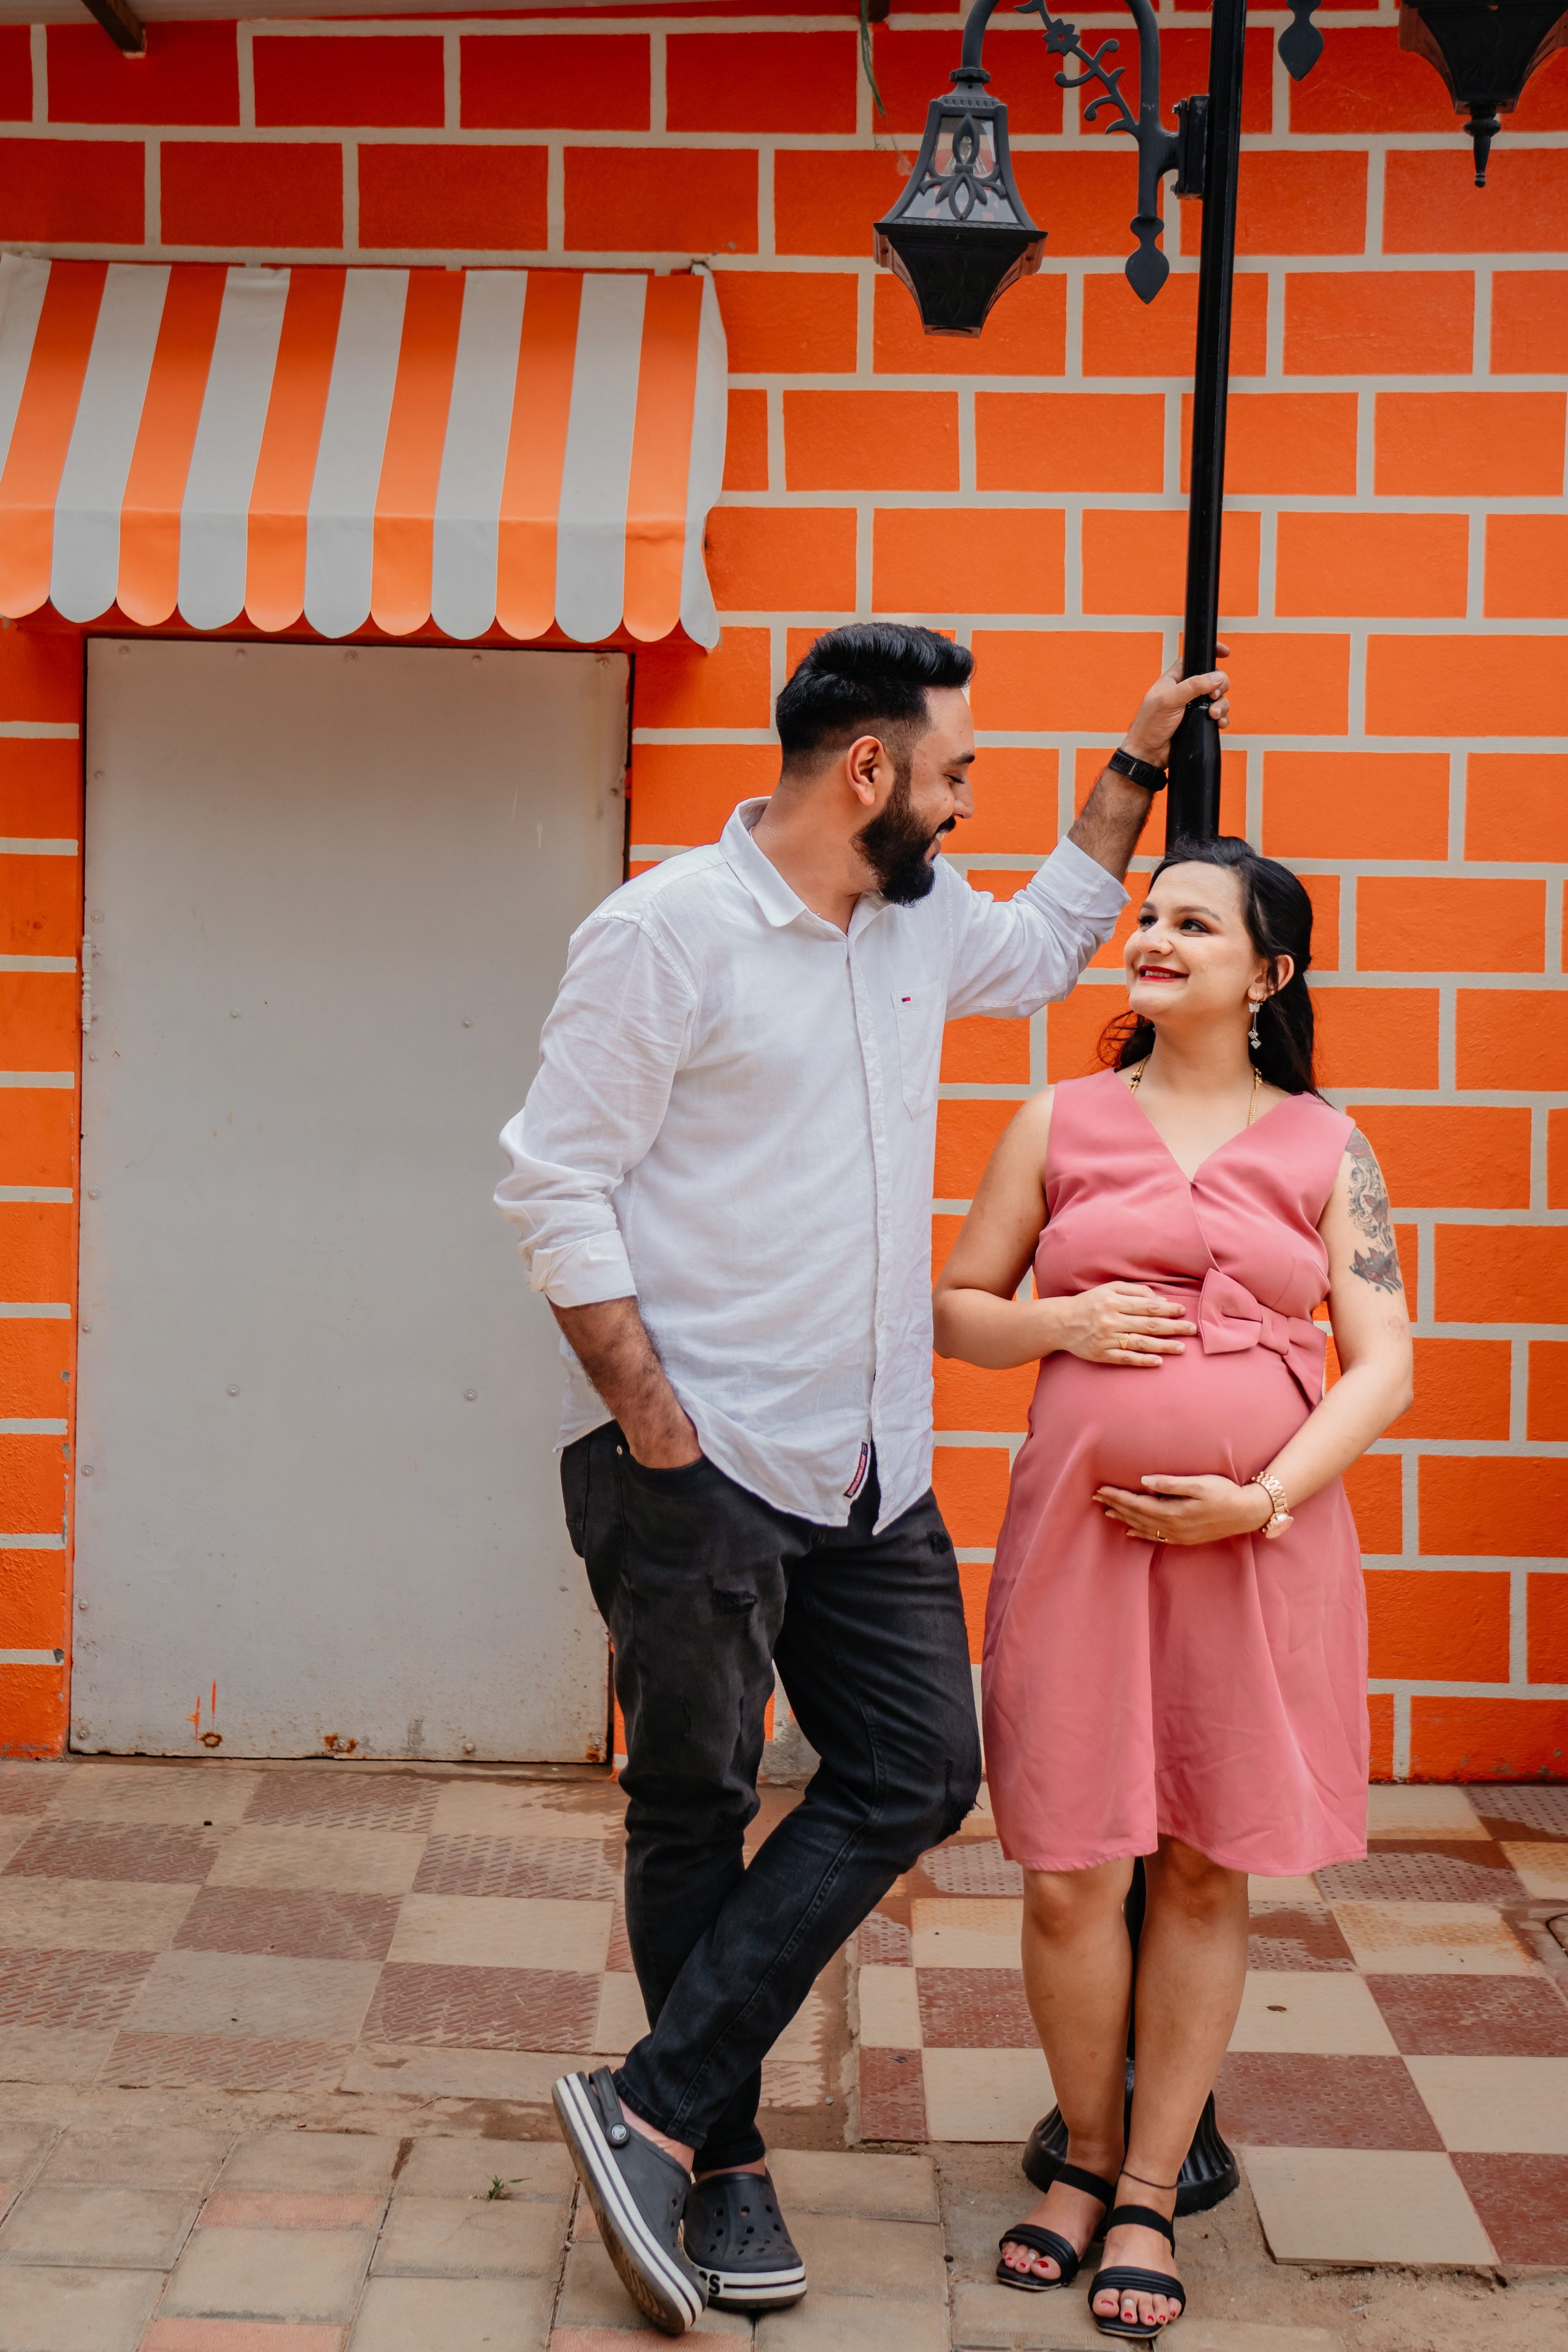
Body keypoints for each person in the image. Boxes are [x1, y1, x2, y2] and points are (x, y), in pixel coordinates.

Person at [495, 623, 1231, 2337]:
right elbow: (555, 1189)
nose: (972, 805)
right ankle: (718, 2153)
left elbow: (1056, 939)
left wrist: (1129, 768)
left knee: (915, 1768)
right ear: (871, 773)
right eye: (961, 773)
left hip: (875, 1465)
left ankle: (651, 2099)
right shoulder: (663, 935)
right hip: (704, 1464)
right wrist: (661, 1438)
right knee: (691, 1806)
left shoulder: (915, 925)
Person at [932, 835, 1413, 2343]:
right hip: (1078, 1544)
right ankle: (1076, 2166)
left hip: (1254, 1551)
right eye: (1148, 917)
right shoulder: (1059, 1118)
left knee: (1205, 1860)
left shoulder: (1329, 1147)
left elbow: (1383, 1363)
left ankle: (1147, 2189)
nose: (1152, 937)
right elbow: (957, 1307)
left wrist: (1258, 1499)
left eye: (1192, 925)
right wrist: (1060, 1319)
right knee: (1070, 1862)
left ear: (1266, 975)